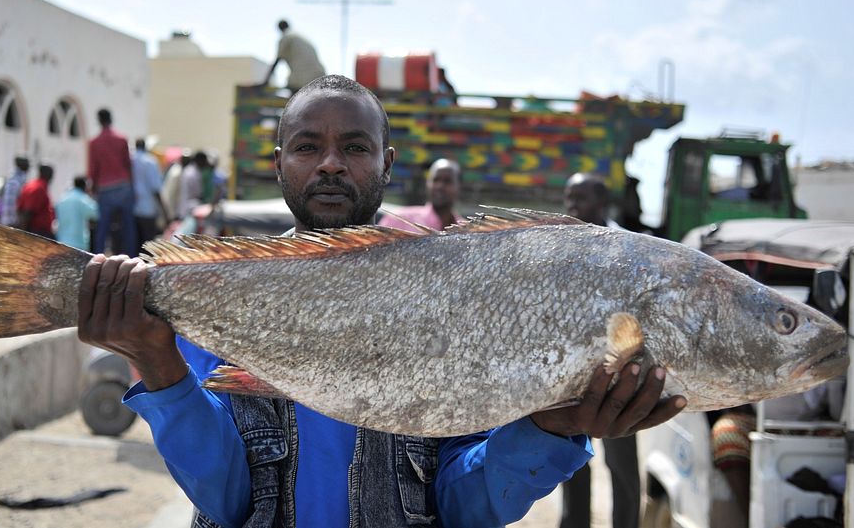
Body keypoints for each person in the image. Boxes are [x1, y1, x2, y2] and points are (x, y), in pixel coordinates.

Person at [77, 75, 685, 527]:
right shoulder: (227, 294)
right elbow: (229, 501)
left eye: (357, 148)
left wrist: (552, 428)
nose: (332, 164)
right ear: (280, 163)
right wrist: (158, 364)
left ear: (387, 164)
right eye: (308, 147)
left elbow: (460, 504)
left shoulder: (451, 295)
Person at [560, 172, 639, 528]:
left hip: (621, 377)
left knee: (622, 467)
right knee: (572, 462)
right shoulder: (561, 247)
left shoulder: (629, 247)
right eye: (569, 197)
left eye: (581, 198)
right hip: (574, 376)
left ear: (602, 202)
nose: (572, 206)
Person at [88, 108, 136, 256]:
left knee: (103, 227)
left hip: (105, 187)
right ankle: (132, 258)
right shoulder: (121, 139)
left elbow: (93, 168)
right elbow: (127, 164)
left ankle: (98, 258)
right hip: (123, 186)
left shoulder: (94, 143)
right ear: (111, 119)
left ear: (99, 121)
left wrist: (93, 189)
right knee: (128, 225)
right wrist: (131, 186)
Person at [378, 158, 464, 231]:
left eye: (447, 181)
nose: (439, 186)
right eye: (435, 180)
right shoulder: (398, 220)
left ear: (459, 186)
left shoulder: (467, 232)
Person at [259, 19, 326, 88]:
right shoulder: (299, 36)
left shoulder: (285, 38)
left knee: (293, 94)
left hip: (304, 79)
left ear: (279, 29)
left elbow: (278, 60)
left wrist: (266, 81)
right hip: (320, 76)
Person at [132, 139, 168, 249]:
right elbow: (155, 188)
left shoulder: (130, 160)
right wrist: (164, 211)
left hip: (132, 208)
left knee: (135, 244)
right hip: (147, 208)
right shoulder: (150, 161)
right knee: (148, 244)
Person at [55, 176, 99, 251]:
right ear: (84, 185)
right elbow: (96, 213)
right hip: (78, 243)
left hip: (62, 240)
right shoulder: (83, 199)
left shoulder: (62, 199)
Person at [16, 164, 55, 239]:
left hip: (37, 232)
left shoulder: (33, 185)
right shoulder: (38, 188)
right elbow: (28, 212)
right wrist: (22, 235)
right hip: (36, 233)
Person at [0, 156, 30, 227]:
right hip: (12, 223)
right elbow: (11, 204)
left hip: (8, 222)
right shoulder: (16, 181)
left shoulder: (13, 178)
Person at [177, 151, 207, 221]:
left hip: (185, 208)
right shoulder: (193, 173)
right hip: (190, 209)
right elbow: (198, 193)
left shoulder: (189, 170)